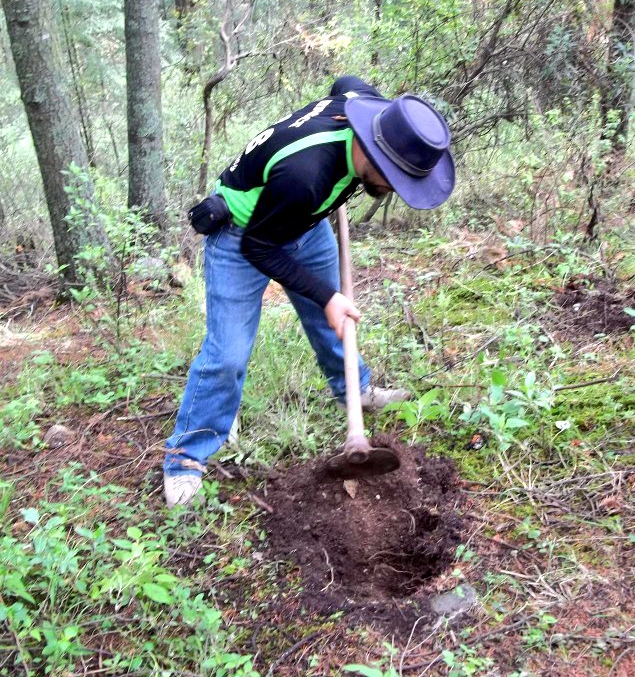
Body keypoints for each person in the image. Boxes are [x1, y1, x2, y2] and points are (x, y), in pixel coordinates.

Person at [163, 75, 456, 507]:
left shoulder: (368, 108)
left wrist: (327, 299)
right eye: (396, 178)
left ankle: (353, 389)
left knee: (331, 321)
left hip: (306, 221)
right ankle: (186, 456)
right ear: (375, 153)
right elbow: (258, 247)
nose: (394, 188)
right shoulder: (305, 175)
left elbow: (347, 82)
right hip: (242, 235)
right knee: (227, 354)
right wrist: (327, 294)